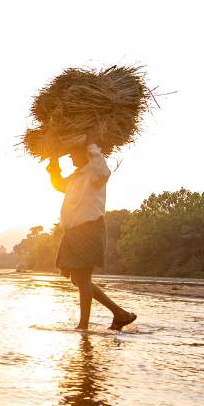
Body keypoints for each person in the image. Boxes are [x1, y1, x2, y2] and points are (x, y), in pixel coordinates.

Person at [47, 136, 136, 331]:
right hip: (73, 232)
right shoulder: (78, 175)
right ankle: (119, 314)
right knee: (78, 280)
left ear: (85, 152)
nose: (70, 157)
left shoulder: (96, 171)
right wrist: (54, 167)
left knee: (83, 279)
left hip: (88, 229)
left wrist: (90, 144)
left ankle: (83, 326)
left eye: (73, 153)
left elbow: (104, 170)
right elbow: (60, 186)